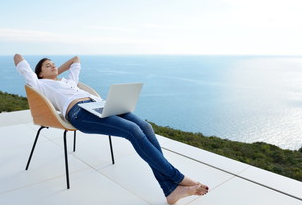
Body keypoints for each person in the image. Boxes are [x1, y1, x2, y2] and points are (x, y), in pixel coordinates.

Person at [14, 54, 208, 204]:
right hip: (79, 113)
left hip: (99, 105)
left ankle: (170, 190)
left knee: (145, 127)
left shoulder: (67, 82)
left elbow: (76, 59)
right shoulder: (39, 83)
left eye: (53, 63)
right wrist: (44, 73)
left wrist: (55, 71)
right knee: (133, 131)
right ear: (39, 73)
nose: (53, 65)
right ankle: (177, 178)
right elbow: (18, 58)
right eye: (48, 65)